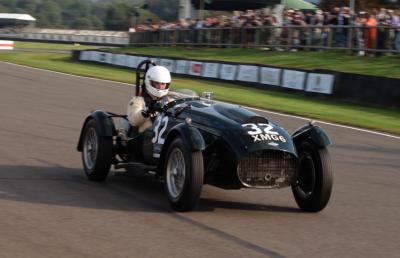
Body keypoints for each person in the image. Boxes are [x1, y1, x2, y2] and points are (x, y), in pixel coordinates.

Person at [127, 65, 171, 133]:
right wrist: (148, 110)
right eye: (157, 83)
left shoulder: (168, 99)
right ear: (149, 82)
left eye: (163, 84)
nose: (160, 86)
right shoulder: (138, 100)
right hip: (144, 136)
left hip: (166, 133)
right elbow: (133, 120)